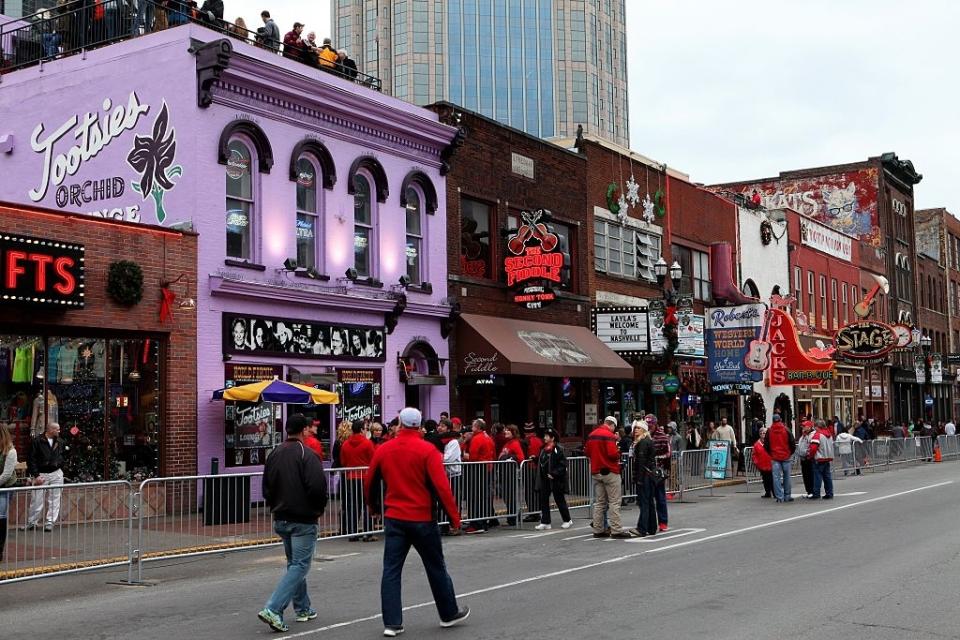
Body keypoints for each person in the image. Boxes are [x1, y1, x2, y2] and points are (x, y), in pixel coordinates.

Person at [365, 407, 470, 637]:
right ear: (419, 426)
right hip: (422, 517)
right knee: (435, 567)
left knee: (391, 571)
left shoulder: (384, 449)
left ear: (400, 425)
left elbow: (370, 480)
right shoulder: (427, 450)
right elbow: (442, 487)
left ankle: (392, 623)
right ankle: (448, 613)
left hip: (395, 517)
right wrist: (454, 518)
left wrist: (373, 508)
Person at [257, 414, 328, 633]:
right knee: (300, 565)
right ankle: (273, 608)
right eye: (309, 428)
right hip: (303, 518)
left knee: (294, 564)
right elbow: (317, 487)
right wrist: (317, 509)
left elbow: (266, 487)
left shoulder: (275, 453)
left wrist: (275, 505)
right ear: (304, 430)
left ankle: (303, 608)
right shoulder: (308, 455)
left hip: (282, 516)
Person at [585, 416, 633, 538]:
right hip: (609, 471)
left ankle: (598, 529)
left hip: (596, 471)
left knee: (600, 502)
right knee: (614, 502)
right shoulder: (609, 436)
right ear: (612, 425)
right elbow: (612, 454)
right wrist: (618, 451)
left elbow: (587, 452)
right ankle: (616, 529)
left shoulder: (592, 434)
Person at [23, 421, 64, 532]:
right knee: (36, 499)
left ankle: (50, 521)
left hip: (56, 472)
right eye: (57, 429)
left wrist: (60, 464)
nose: (59, 431)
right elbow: (31, 459)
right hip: (41, 473)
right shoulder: (37, 441)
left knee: (55, 498)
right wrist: (36, 475)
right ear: (50, 430)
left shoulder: (59, 441)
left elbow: (63, 455)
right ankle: (32, 522)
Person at [339, 419, 376, 541]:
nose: (366, 431)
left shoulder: (345, 444)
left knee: (352, 506)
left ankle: (352, 533)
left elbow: (343, 462)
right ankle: (368, 532)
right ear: (361, 430)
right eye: (365, 428)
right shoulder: (367, 443)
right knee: (367, 505)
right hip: (365, 477)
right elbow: (373, 460)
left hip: (350, 478)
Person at [534, 428, 572, 531]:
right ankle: (545, 522)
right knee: (544, 499)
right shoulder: (543, 449)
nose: (544, 438)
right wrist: (535, 459)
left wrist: (554, 473)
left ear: (553, 438)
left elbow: (562, 464)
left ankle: (567, 520)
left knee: (559, 499)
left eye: (547, 436)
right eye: (545, 436)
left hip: (556, 479)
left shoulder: (558, 450)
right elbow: (543, 461)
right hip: (545, 478)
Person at [461, 418, 494, 534]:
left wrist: (465, 456)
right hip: (487, 469)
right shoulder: (488, 437)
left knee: (474, 497)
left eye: (473, 426)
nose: (472, 428)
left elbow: (473, 457)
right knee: (482, 497)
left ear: (478, 427)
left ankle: (476, 524)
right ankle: (482, 522)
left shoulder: (477, 439)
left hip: (477, 470)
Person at [630, 422, 657, 537]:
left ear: (644, 430)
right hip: (649, 475)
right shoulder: (649, 441)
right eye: (635, 428)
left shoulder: (642, 443)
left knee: (644, 502)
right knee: (649, 502)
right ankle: (652, 527)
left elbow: (641, 462)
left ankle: (642, 528)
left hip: (644, 476)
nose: (636, 430)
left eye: (638, 428)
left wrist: (639, 479)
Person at [437, 419, 462, 535]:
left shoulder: (453, 442)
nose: (439, 428)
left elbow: (447, 458)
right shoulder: (441, 441)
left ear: (448, 428)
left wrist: (436, 456)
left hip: (453, 474)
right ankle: (444, 525)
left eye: (442, 426)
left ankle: (455, 526)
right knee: (443, 501)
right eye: (439, 425)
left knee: (453, 501)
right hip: (444, 475)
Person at [496, 424, 524, 526]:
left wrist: (509, 458)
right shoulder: (507, 443)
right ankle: (513, 515)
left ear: (514, 432)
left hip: (510, 474)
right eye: (506, 430)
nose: (506, 432)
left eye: (508, 430)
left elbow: (520, 457)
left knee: (510, 496)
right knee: (507, 496)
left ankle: (513, 517)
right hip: (504, 473)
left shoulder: (515, 443)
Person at [764, 414, 796, 503]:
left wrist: (771, 453)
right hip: (786, 456)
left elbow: (766, 445)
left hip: (775, 456)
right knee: (787, 477)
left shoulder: (769, 431)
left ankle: (779, 497)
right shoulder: (786, 429)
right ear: (780, 419)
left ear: (773, 420)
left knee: (776, 478)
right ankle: (787, 495)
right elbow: (792, 442)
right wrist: (790, 453)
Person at [649, 416, 671, 531]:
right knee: (648, 499)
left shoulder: (662, 436)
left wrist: (656, 458)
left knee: (660, 497)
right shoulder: (644, 434)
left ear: (655, 424)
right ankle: (649, 522)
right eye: (647, 425)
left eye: (651, 425)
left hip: (658, 471)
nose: (649, 427)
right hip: (647, 471)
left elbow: (668, 453)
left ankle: (663, 522)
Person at [0, 423, 17, 560]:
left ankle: (0, 550)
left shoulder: (11, 451)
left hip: (5, 488)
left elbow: (6, 475)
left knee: (1, 517)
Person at [807, 419, 835, 500]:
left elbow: (813, 448)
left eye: (815, 427)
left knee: (817, 477)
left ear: (817, 427)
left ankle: (816, 493)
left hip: (819, 458)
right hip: (827, 457)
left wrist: (810, 456)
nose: (814, 429)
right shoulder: (829, 434)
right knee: (827, 477)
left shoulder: (817, 435)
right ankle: (829, 493)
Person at [522, 423, 543, 521]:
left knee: (529, 491)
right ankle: (537, 511)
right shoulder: (540, 440)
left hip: (529, 467)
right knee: (537, 490)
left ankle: (533, 513)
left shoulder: (526, 441)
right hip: (538, 468)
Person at [796, 420, 816, 498]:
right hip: (803, 458)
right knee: (805, 476)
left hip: (809, 458)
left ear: (809, 427)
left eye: (804, 426)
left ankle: (812, 491)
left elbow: (811, 447)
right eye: (802, 426)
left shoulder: (811, 435)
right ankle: (809, 491)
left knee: (810, 475)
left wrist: (807, 454)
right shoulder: (803, 436)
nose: (803, 428)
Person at [752, 426, 774, 498]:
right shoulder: (756, 444)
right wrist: (756, 463)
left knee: (772, 479)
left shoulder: (771, 442)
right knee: (765, 479)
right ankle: (767, 492)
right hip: (762, 465)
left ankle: (775, 492)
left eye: (764, 433)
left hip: (771, 464)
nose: (763, 434)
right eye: (761, 433)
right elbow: (754, 455)